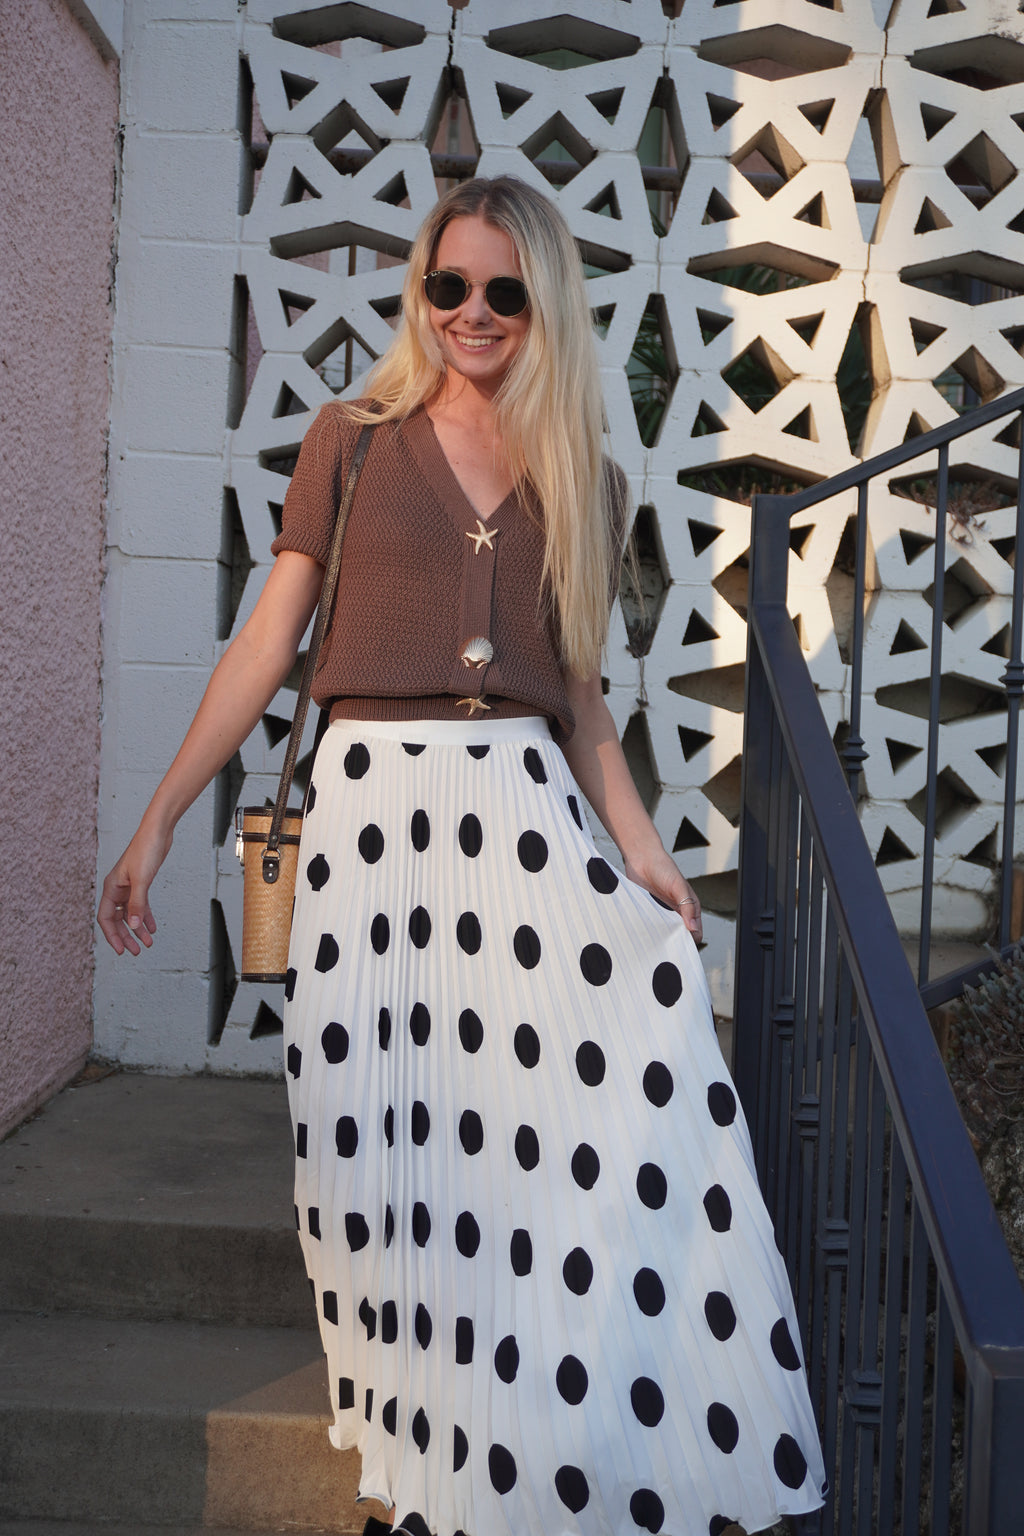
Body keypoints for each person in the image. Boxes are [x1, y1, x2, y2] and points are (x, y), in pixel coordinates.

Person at [99, 175, 825, 1536]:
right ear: (420, 292)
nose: (472, 313)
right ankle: (421, 1468)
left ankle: (556, 1453)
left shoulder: (583, 478)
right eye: (448, 285)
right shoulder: (352, 440)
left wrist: (647, 857)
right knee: (384, 1156)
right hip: (373, 825)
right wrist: (160, 816)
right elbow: (268, 643)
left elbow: (584, 700)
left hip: (524, 824)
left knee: (555, 1142)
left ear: (544, 301)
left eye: (503, 290)